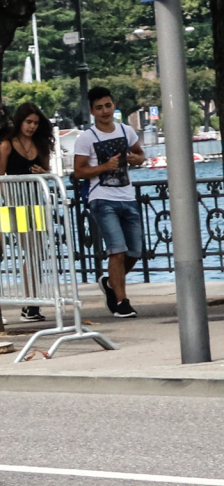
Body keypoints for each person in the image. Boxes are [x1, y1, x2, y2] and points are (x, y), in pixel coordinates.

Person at [73, 86, 146, 318]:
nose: (105, 111)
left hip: (127, 196)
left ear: (113, 105)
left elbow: (140, 155)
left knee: (134, 251)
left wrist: (137, 159)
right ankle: (122, 302)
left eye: (108, 105)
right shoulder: (87, 138)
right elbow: (78, 171)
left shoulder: (126, 131)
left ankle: (110, 283)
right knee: (117, 250)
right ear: (92, 111)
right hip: (101, 198)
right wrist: (105, 167)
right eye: (99, 107)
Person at [0, 102, 55, 323]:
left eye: (36, 123)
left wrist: (43, 172)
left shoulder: (40, 145)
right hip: (12, 204)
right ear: (19, 122)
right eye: (28, 122)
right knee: (10, 251)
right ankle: (15, 303)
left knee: (36, 252)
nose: (31, 127)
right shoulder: (7, 145)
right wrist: (8, 201)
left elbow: (48, 172)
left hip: (34, 203)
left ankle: (31, 302)